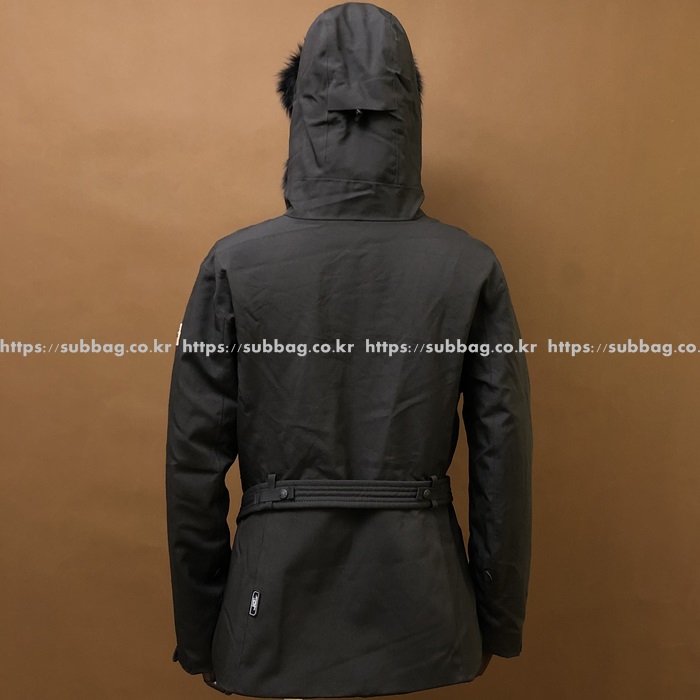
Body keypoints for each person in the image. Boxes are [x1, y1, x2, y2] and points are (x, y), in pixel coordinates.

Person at [165, 2, 532, 697]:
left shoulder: (233, 265)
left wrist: (202, 630)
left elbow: (192, 465)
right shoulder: (470, 266)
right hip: (428, 608)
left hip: (269, 610)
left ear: (302, 113)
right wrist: (495, 618)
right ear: (408, 114)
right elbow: (502, 457)